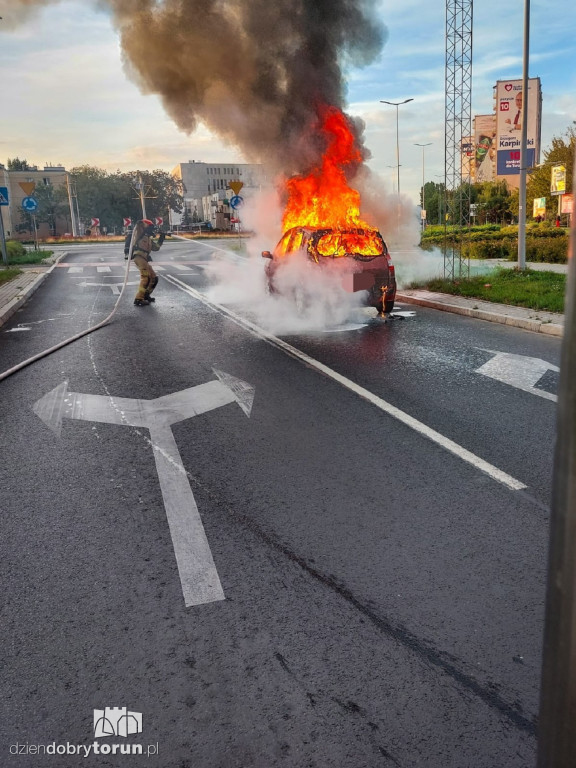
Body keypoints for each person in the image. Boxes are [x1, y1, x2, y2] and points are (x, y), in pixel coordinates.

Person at [124, 219, 166, 306]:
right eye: (151, 228)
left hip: (144, 259)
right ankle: (139, 299)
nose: (152, 230)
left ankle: (146, 295)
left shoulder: (148, 239)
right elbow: (138, 228)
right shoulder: (138, 235)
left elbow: (156, 248)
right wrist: (141, 223)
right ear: (145, 228)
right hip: (139, 258)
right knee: (145, 277)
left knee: (154, 278)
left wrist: (161, 238)